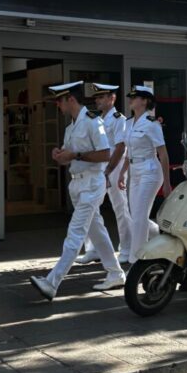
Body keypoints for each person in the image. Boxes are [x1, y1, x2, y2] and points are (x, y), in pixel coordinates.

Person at [29, 81, 125, 301]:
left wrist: (75, 156)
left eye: (59, 101)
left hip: (92, 184)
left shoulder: (93, 122)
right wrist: (60, 155)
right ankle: (116, 273)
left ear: (70, 99)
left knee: (75, 234)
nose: (57, 106)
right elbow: (69, 157)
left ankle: (52, 283)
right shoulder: (70, 128)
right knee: (97, 232)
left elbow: (105, 154)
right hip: (78, 184)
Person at [76, 82, 133, 265]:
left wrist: (110, 170)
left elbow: (120, 146)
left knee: (121, 209)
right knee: (91, 209)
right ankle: (93, 249)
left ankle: (126, 248)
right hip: (98, 169)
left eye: (101, 97)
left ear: (112, 98)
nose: (98, 101)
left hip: (113, 168)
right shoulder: (97, 119)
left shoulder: (119, 119)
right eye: (96, 98)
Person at [119, 85, 171, 262]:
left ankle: (137, 259)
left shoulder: (152, 124)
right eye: (131, 97)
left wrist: (167, 182)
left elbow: (163, 153)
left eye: (135, 97)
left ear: (145, 101)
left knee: (140, 217)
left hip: (150, 171)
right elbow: (128, 153)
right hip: (135, 171)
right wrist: (121, 174)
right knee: (136, 216)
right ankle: (162, 240)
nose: (131, 100)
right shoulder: (128, 123)